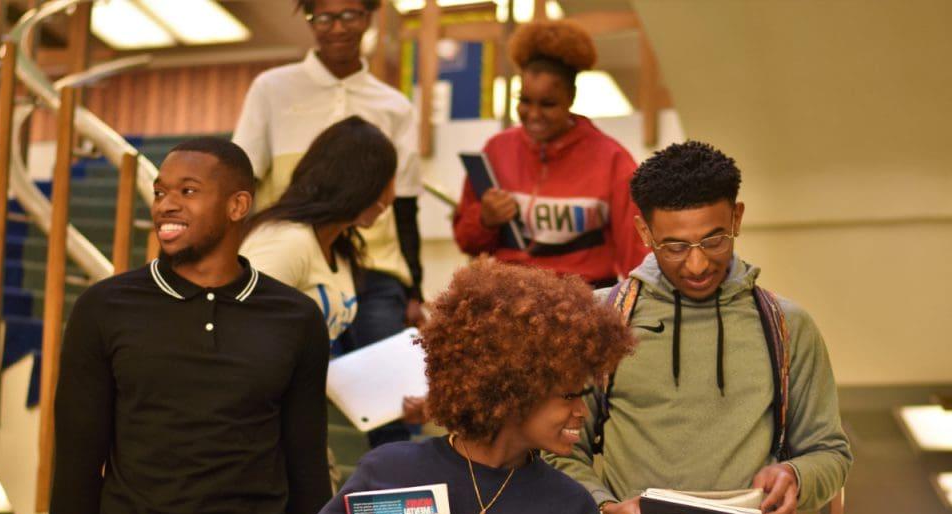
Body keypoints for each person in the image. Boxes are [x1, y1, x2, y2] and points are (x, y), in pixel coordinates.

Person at [545, 141, 854, 514]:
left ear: (736, 217)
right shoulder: (599, 321)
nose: (697, 263)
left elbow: (830, 451)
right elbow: (553, 452)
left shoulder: (787, 327)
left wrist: (797, 477)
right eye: (674, 246)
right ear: (643, 234)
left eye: (714, 239)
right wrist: (605, 512)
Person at [28, 138, 331, 514]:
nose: (166, 204)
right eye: (161, 191)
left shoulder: (296, 319)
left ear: (237, 206)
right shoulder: (104, 308)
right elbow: (76, 471)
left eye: (188, 192)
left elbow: (307, 472)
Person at [280, 259, 636, 514]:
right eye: (568, 395)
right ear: (513, 387)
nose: (582, 410)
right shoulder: (392, 470)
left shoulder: (572, 509)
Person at [233, 0, 424, 448]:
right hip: (303, 258)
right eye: (323, 17)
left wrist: (413, 287)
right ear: (309, 20)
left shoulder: (393, 105)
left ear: (370, 18)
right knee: (290, 391)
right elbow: (241, 175)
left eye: (350, 15)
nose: (337, 28)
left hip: (374, 268)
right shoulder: (272, 88)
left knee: (394, 406)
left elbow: (407, 204)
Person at [452, 20, 647, 289]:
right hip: (507, 300)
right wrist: (485, 220)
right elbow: (467, 241)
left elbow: (636, 254)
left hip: (584, 303)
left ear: (572, 97)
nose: (533, 115)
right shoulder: (496, 150)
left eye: (548, 104)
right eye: (524, 101)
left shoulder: (612, 159)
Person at [240, 115, 396, 345]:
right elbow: (240, 329)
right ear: (361, 183)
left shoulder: (338, 245)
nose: (391, 196)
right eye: (387, 180)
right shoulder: (286, 240)